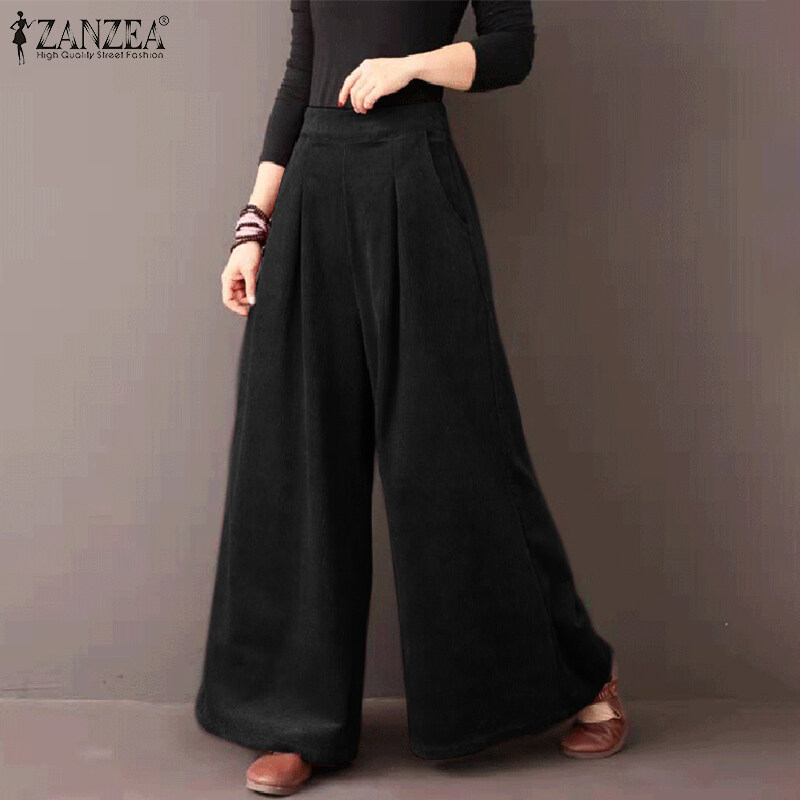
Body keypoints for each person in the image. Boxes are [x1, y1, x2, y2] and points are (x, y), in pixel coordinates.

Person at [194, 2, 628, 795]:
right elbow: (302, 71)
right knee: (299, 452)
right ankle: (297, 720)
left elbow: (514, 47)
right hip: (314, 186)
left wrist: (414, 68)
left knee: (452, 454)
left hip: (415, 175)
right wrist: (254, 223)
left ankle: (577, 676)